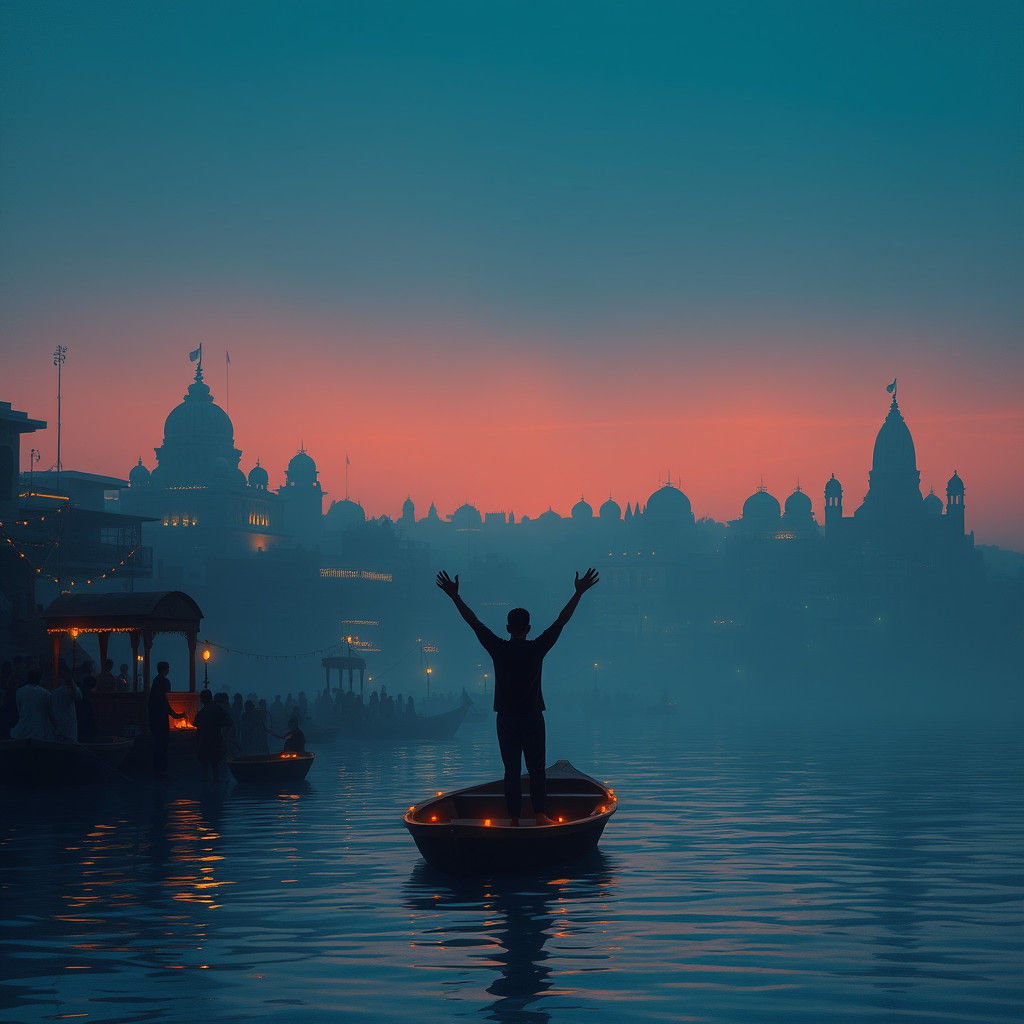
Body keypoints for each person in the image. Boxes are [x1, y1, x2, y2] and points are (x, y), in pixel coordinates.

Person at [436, 567, 599, 826]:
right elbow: (561, 621)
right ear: (528, 628)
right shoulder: (537, 648)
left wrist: (455, 596)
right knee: (536, 770)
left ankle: (513, 818)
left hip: (507, 719)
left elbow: (474, 622)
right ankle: (539, 815)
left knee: (511, 771)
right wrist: (577, 593)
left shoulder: (498, 648)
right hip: (532, 717)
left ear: (508, 628)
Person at [147, 661, 185, 777]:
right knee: (162, 745)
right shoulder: (163, 682)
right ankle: (161, 771)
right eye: (168, 668)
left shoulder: (155, 681)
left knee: (158, 745)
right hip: (161, 719)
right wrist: (176, 715)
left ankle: (158, 770)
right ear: (165, 669)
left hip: (154, 718)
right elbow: (164, 702)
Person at [194, 688, 233, 781]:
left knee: (206, 769)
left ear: (203, 699)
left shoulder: (203, 712)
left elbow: (197, 725)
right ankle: (218, 789)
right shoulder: (217, 709)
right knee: (215, 768)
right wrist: (224, 736)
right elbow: (229, 722)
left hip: (206, 742)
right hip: (215, 741)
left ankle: (208, 791)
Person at [12, 669, 57, 740]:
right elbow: (50, 714)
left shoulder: (19, 691)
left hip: (21, 731)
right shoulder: (45, 694)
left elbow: (19, 710)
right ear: (39, 679)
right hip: (38, 732)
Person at [51, 665, 81, 743]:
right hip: (66, 724)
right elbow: (79, 697)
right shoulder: (60, 691)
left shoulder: (56, 692)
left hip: (60, 723)